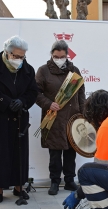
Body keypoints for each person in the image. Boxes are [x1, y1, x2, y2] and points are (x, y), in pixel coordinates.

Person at [0, 36, 39, 203]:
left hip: (18, 117)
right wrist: (6, 102)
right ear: (7, 52)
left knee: (18, 153)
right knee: (0, 153)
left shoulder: (28, 69)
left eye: (22, 56)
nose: (19, 60)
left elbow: (33, 92)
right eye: (16, 56)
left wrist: (22, 102)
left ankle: (19, 186)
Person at [35, 40, 86, 195]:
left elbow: (81, 93)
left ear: (67, 55)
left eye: (62, 56)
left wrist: (83, 114)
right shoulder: (43, 71)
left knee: (71, 151)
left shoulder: (74, 70)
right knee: (55, 153)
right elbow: (35, 93)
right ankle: (55, 181)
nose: (59, 59)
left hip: (73, 117)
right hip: (53, 117)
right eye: (56, 56)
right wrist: (48, 103)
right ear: (52, 54)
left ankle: (70, 181)